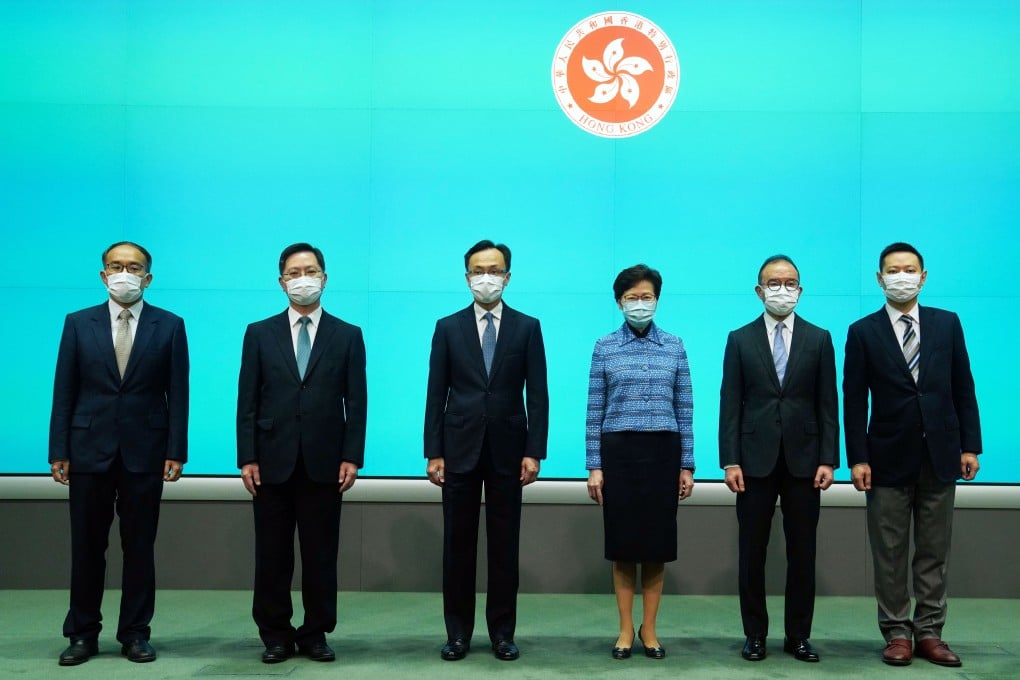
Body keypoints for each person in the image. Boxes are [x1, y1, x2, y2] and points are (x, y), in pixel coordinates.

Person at [49, 241, 189, 666]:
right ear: (102, 274)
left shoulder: (169, 325)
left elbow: (178, 393)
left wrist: (176, 450)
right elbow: (65, 390)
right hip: (87, 449)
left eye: (134, 267)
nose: (124, 273)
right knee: (87, 547)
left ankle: (134, 633)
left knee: (140, 547)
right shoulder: (78, 323)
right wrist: (59, 449)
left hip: (146, 452)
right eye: (116, 266)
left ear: (148, 277)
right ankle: (82, 634)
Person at [844, 242, 981, 668]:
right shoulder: (863, 331)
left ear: (923, 277)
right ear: (879, 278)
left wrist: (970, 445)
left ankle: (930, 632)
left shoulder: (947, 324)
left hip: (941, 454)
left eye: (909, 269)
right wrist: (858, 458)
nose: (901, 276)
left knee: (934, 551)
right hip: (885, 458)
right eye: (892, 270)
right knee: (889, 551)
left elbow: (963, 386)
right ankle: (896, 633)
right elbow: (853, 401)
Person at [236, 243, 367, 664]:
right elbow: (247, 400)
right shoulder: (259, 333)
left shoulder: (348, 335)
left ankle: (315, 633)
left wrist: (352, 456)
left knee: (320, 553)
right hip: (270, 461)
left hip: (325, 462)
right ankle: (275, 633)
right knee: (271, 554)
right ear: (281, 281)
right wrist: (247, 457)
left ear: (324, 278)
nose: (303, 278)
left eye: (310, 271)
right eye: (294, 272)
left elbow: (357, 402)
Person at [424, 239, 548, 662]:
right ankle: (457, 634)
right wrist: (433, 450)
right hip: (457, 450)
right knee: (457, 547)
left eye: (494, 270)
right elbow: (435, 392)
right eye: (478, 270)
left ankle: (502, 634)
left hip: (509, 453)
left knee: (504, 547)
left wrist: (535, 451)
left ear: (508, 276)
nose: (486, 278)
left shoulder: (528, 327)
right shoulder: (447, 327)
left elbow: (540, 395)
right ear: (466, 277)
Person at [718, 255, 838, 663]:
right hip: (753, 462)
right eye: (774, 282)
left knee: (802, 552)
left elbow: (828, 404)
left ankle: (798, 636)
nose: (782, 289)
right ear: (759, 290)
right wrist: (729, 460)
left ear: (800, 290)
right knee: (752, 551)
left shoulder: (820, 338)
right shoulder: (739, 338)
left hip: (806, 462)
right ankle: (754, 634)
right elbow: (730, 403)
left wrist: (829, 458)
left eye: (790, 283)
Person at [585, 264, 694, 661]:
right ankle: (625, 629)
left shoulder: (676, 346)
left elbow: (685, 407)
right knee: (623, 547)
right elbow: (594, 408)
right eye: (631, 297)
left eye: (646, 296)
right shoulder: (604, 346)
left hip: (664, 453)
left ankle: (650, 628)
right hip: (620, 454)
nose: (639, 303)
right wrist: (594, 466)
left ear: (657, 299)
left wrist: (687, 465)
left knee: (656, 547)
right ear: (619, 302)